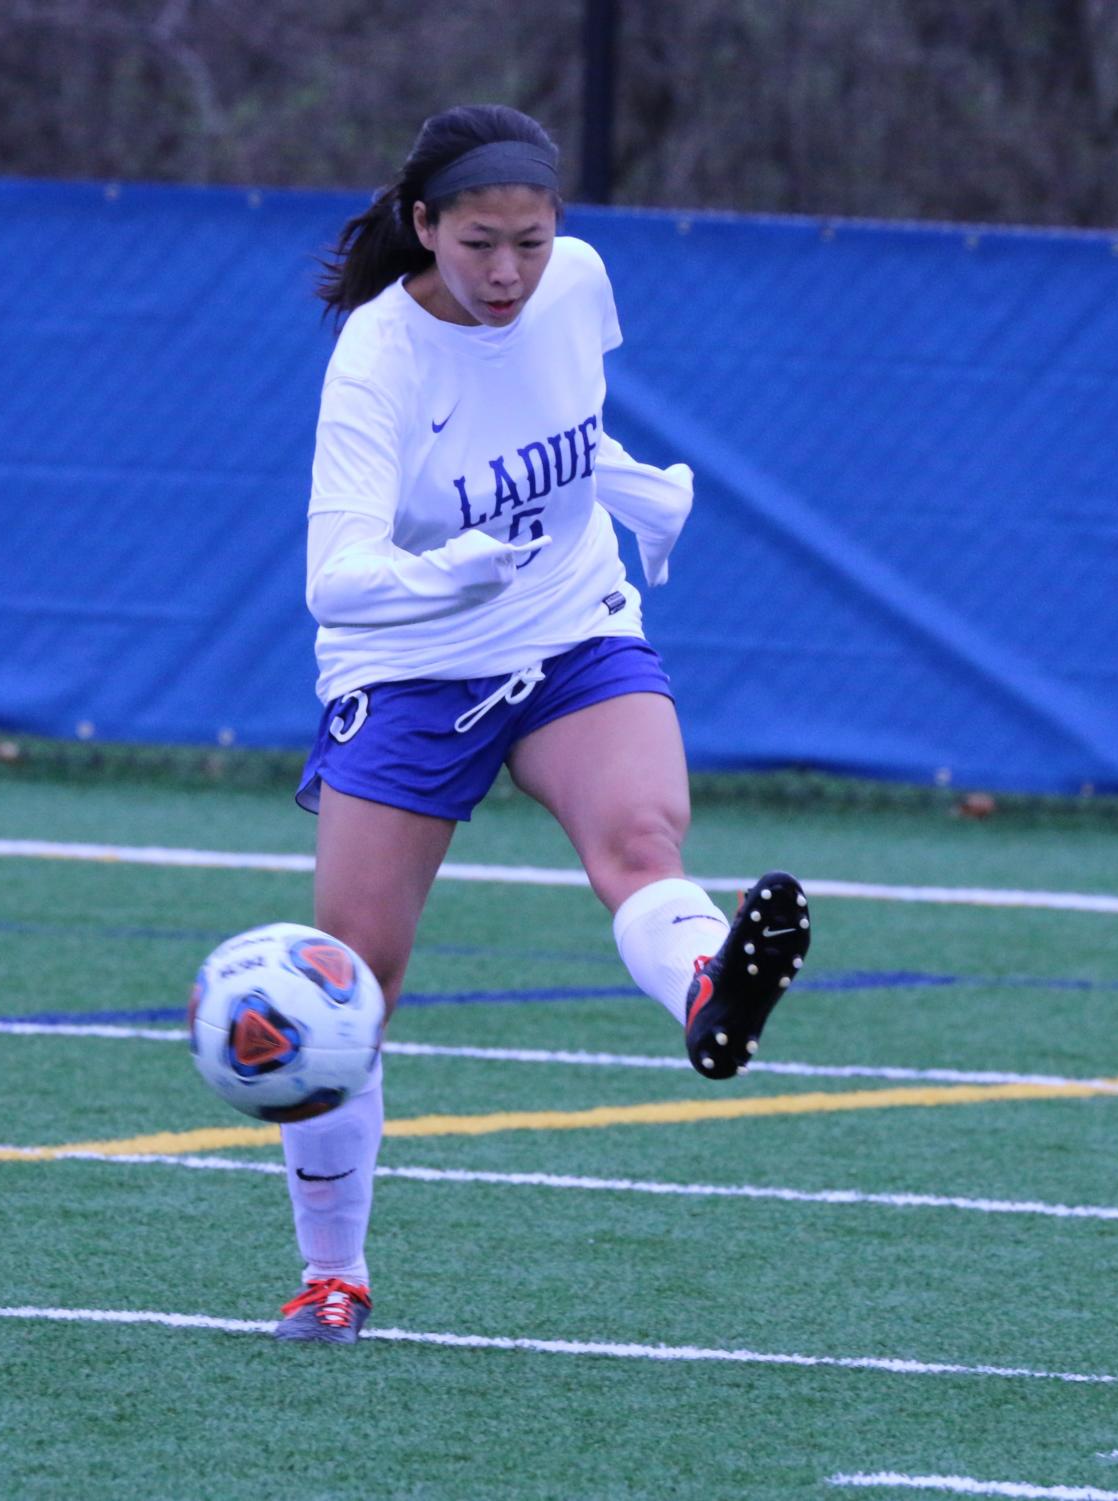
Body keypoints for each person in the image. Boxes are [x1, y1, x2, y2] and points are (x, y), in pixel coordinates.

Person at [274, 104, 811, 1343]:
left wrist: (632, 489)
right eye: (477, 244)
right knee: (354, 982)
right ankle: (331, 1273)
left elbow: (558, 430)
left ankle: (707, 992)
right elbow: (334, 578)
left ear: (557, 228)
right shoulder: (377, 355)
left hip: (570, 625)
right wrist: (446, 574)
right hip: (409, 661)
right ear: (423, 227)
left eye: (527, 238)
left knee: (640, 839)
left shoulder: (578, 283)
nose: (507, 270)